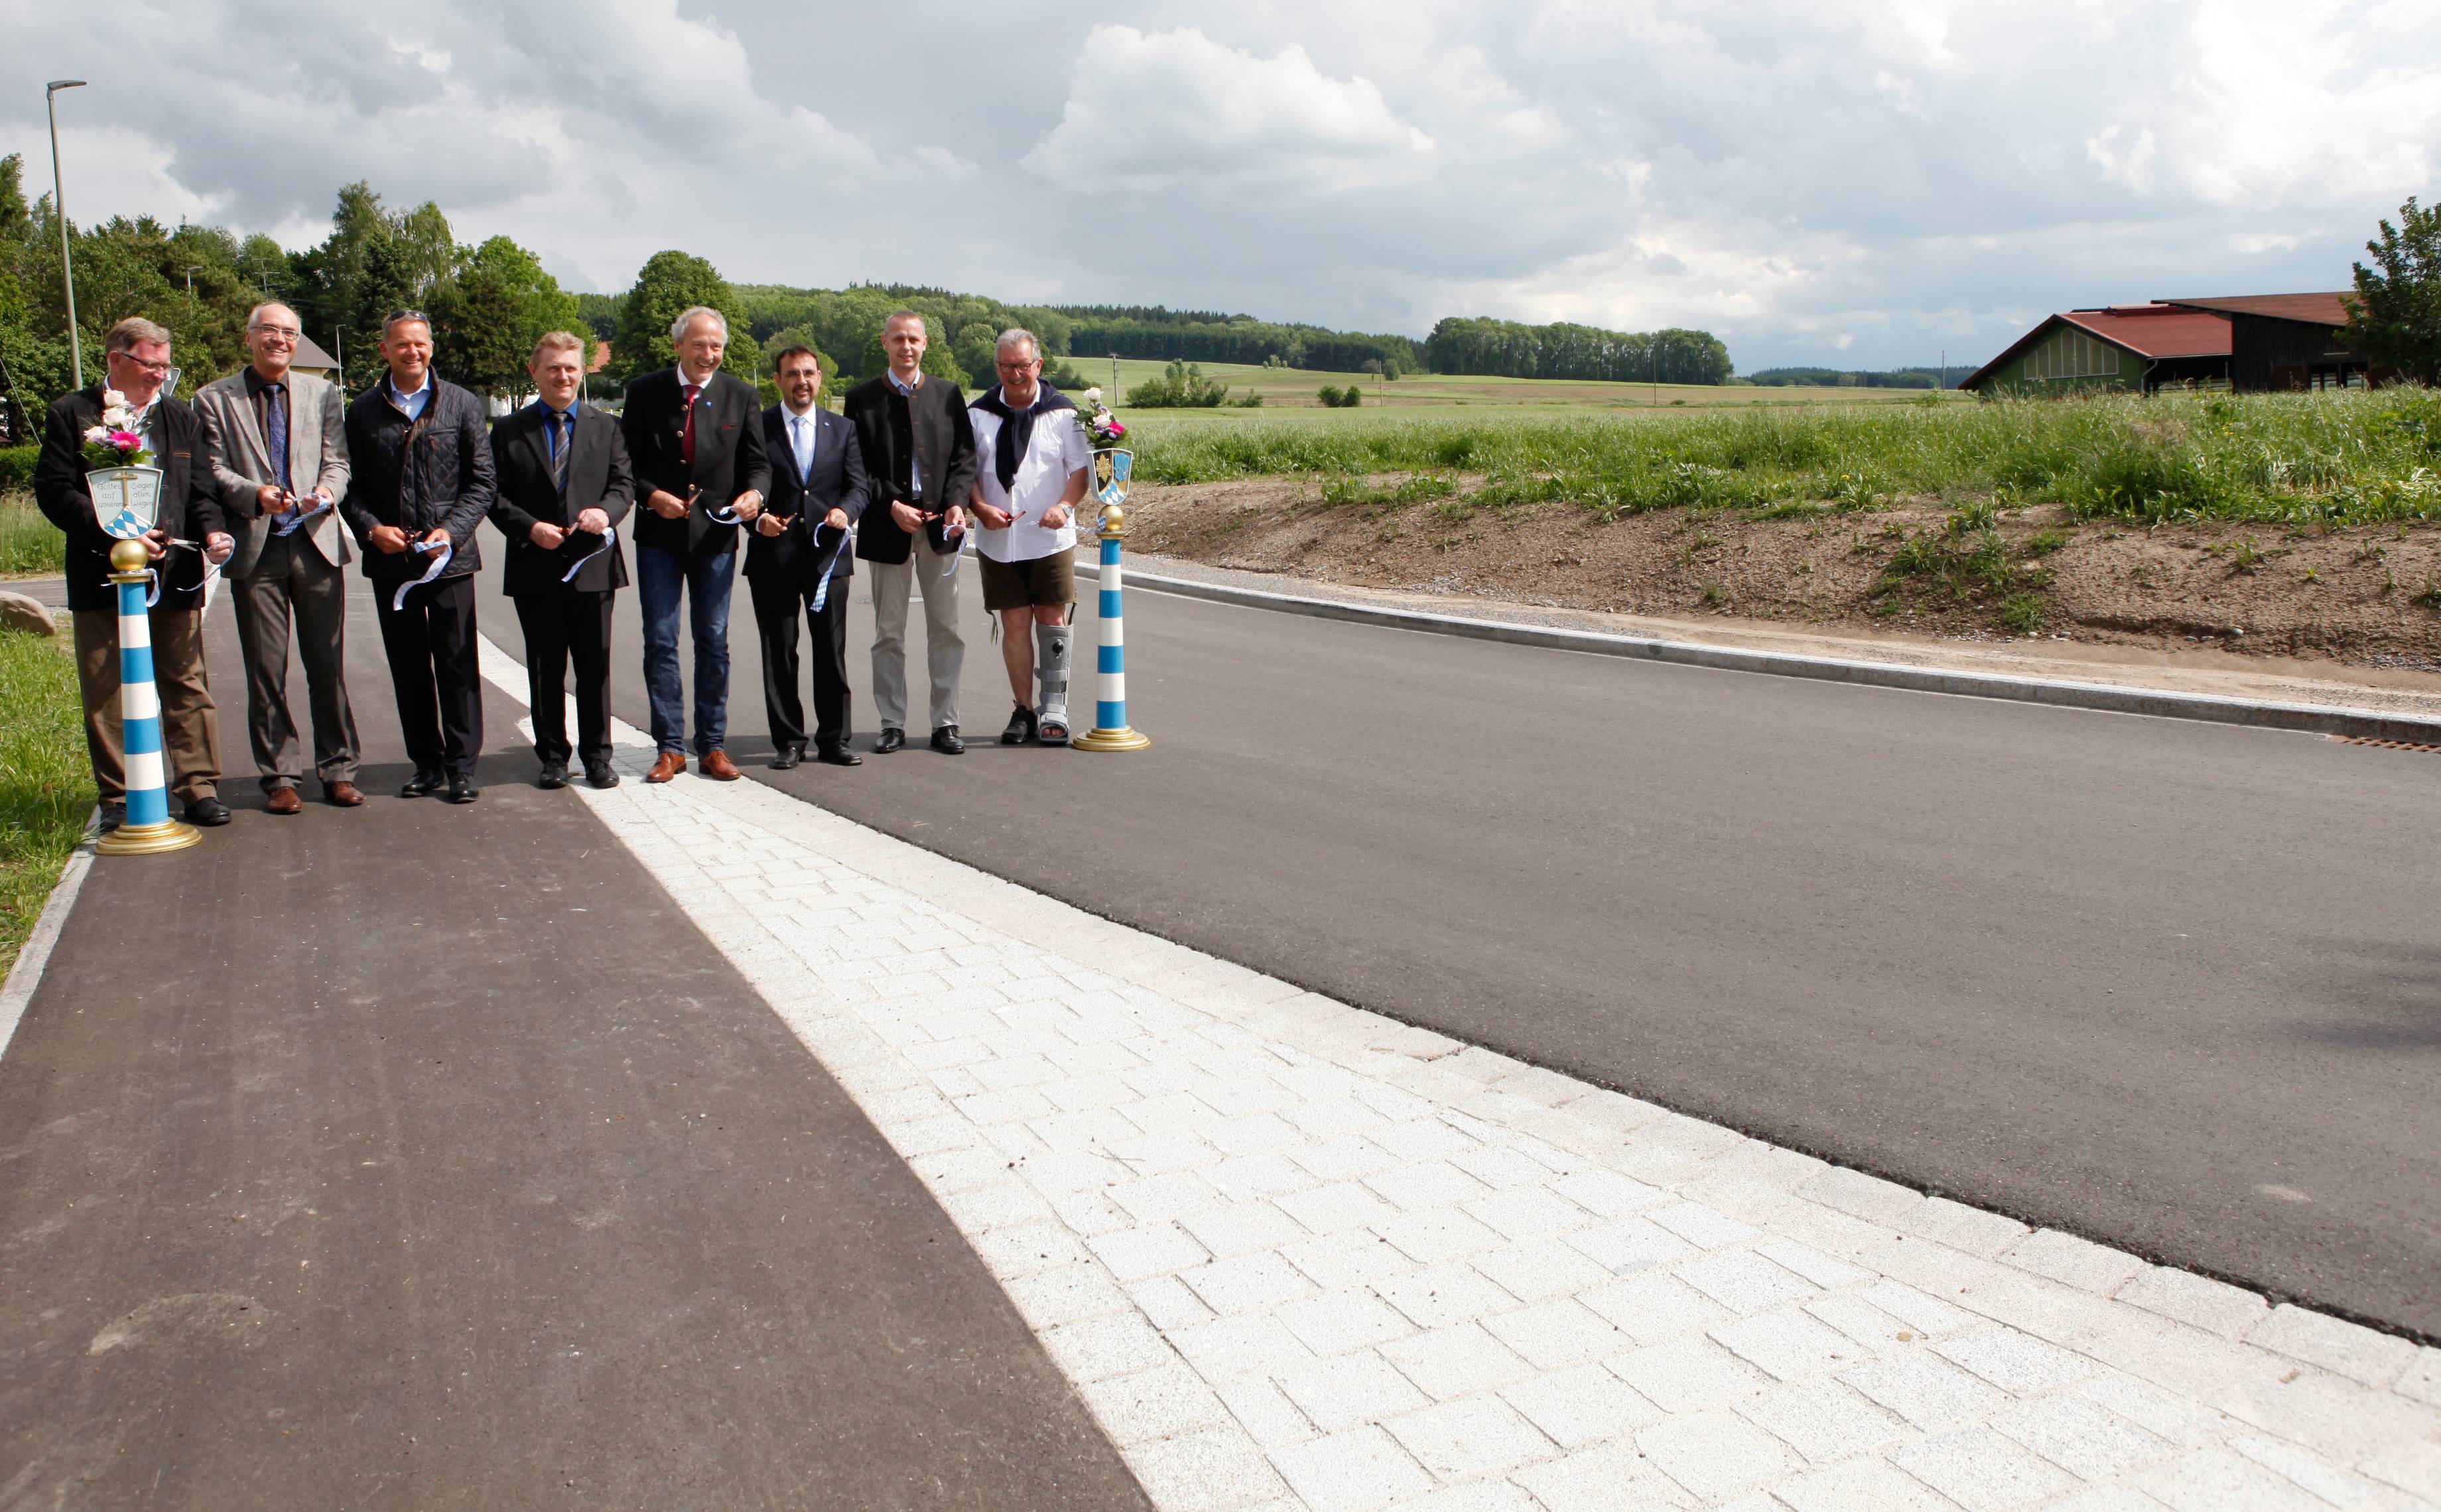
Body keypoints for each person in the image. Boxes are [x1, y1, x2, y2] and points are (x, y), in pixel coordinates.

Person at [33, 316, 234, 830]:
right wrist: (115, 536)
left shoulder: (180, 416)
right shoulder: (71, 414)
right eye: (151, 364)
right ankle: (119, 797)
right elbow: (56, 492)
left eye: (167, 366)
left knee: (185, 680)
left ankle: (198, 786)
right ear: (116, 359)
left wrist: (213, 533)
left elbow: (201, 489)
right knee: (107, 686)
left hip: (174, 572)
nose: (161, 376)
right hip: (102, 571)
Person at [193, 302, 363, 814]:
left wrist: (327, 494)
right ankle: (280, 776)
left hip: (315, 541)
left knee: (327, 665)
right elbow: (213, 467)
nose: (280, 340)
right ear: (250, 337)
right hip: (257, 546)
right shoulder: (213, 398)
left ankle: (338, 769)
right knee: (266, 669)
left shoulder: (323, 393)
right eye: (270, 330)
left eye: (289, 333)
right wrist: (253, 494)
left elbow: (338, 460)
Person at [340, 310, 495, 804]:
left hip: (451, 560)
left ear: (432, 348)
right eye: (402, 344)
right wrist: (371, 530)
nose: (413, 351)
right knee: (408, 666)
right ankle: (426, 764)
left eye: (421, 343)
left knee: (457, 663)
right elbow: (350, 488)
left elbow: (482, 482)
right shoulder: (363, 411)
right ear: (384, 349)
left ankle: (463, 766)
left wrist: (451, 531)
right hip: (393, 562)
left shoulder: (462, 404)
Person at [620, 306, 769, 784]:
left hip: (717, 538)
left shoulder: (740, 395)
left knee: (713, 641)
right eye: (700, 345)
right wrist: (652, 496)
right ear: (679, 345)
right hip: (659, 536)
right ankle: (669, 747)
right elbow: (626, 464)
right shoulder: (645, 393)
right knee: (661, 640)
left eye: (717, 346)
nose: (709, 354)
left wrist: (754, 495)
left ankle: (712, 745)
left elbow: (758, 464)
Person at [488, 331, 635, 790]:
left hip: (593, 566)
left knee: (595, 667)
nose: (563, 376)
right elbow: (492, 495)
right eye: (553, 368)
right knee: (545, 668)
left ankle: (597, 756)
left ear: (581, 371)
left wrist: (604, 512)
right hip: (536, 566)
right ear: (535, 372)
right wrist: (529, 527)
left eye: (571, 367)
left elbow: (623, 486)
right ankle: (553, 756)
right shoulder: (510, 431)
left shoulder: (607, 426)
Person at [843, 310, 977, 755]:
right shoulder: (861, 399)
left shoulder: (946, 394)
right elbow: (857, 468)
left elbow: (964, 458)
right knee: (889, 633)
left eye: (914, 339)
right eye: (898, 339)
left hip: (941, 528)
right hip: (888, 527)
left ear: (925, 345)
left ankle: (946, 723)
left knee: (947, 629)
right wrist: (890, 505)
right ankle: (892, 722)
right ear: (885, 342)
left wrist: (958, 502)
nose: (906, 347)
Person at [746, 345, 870, 769]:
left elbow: (859, 487)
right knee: (779, 651)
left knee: (831, 651)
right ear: (778, 380)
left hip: (827, 559)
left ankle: (834, 739)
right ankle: (789, 741)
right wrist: (756, 520)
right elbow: (741, 489)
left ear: (820, 378)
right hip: (773, 557)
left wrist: (845, 511)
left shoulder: (843, 429)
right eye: (792, 374)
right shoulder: (758, 427)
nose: (802, 381)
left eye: (809, 374)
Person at [966, 329, 1090, 745]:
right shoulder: (977, 414)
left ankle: (1054, 708)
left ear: (1038, 365)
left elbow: (1079, 472)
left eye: (1024, 365)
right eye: (1007, 366)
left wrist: (1065, 507)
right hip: (998, 540)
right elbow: (965, 474)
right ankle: (1023, 710)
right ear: (997, 367)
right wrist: (981, 509)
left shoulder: (1063, 413)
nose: (1016, 374)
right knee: (1014, 623)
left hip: (1050, 539)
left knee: (1052, 620)